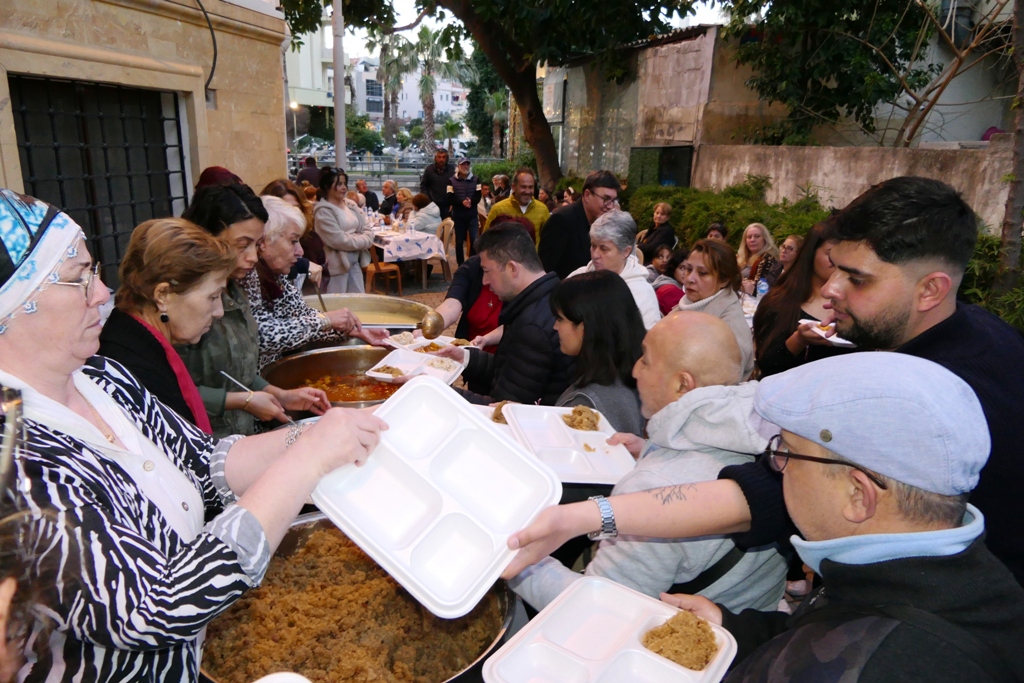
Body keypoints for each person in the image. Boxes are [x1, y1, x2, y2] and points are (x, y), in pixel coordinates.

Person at [500, 176, 1024, 592]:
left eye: (857, 280)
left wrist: (595, 515)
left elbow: (774, 492)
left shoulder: (946, 393)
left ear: (931, 289)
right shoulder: (912, 342)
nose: (831, 292)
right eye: (834, 270)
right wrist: (664, 444)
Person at [0, 188, 387, 682]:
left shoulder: (100, 379)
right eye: (78, 278)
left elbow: (204, 462)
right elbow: (152, 606)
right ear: (12, 306)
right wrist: (306, 459)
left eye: (95, 273)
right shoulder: (14, 457)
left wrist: (324, 432)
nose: (100, 293)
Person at [669, 353, 1024, 682]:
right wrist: (728, 629)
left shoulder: (890, 664)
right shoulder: (955, 575)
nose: (779, 466)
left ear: (858, 494)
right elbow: (835, 630)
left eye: (789, 451)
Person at [511, 311, 786, 612]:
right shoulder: (778, 436)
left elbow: (594, 611)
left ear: (683, 385)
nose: (634, 371)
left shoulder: (651, 488)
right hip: (756, 616)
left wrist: (518, 561)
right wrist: (650, 450)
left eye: (645, 359)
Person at [179, 184, 328, 438]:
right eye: (242, 245)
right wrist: (243, 400)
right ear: (209, 239)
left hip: (239, 436)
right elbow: (173, 389)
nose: (253, 257)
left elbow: (239, 370)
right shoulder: (183, 299)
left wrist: (277, 394)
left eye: (256, 245)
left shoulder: (235, 288)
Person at [99, 218, 235, 432]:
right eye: (213, 296)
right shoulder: (133, 370)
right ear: (162, 295)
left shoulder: (139, 341)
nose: (219, 312)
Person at [433, 222, 573, 406]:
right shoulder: (550, 297)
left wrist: (434, 389)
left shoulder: (532, 326)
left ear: (512, 268)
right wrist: (466, 356)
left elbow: (502, 410)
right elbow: (512, 369)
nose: (484, 281)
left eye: (486, 271)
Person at [243, 196, 387, 371]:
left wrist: (353, 330)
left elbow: (301, 314)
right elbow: (259, 335)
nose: (300, 251)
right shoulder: (246, 273)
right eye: (293, 241)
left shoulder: (276, 275)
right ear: (265, 241)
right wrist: (325, 321)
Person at [550, 271, 645, 435]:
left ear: (585, 328)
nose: (555, 327)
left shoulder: (585, 404)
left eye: (560, 319)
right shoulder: (631, 381)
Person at [753, 224, 850, 377]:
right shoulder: (780, 302)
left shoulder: (857, 305)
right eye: (831, 254)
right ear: (811, 254)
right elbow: (767, 364)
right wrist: (798, 340)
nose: (839, 262)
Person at [567, 211, 661, 330]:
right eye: (593, 245)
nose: (595, 255)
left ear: (626, 252)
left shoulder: (641, 295)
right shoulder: (577, 277)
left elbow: (646, 344)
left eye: (604, 249)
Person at [676, 239, 754, 379]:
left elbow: (725, 381)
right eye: (688, 269)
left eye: (703, 273)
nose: (690, 278)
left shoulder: (729, 327)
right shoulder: (687, 304)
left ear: (724, 280)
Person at [538, 170, 621, 279]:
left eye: (614, 200)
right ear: (587, 195)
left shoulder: (606, 223)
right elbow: (545, 271)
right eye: (606, 199)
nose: (610, 206)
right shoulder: (562, 220)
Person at [259, 179, 326, 293]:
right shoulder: (253, 273)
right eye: (283, 208)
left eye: (295, 208)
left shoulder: (312, 239)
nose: (299, 251)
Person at [313, 167, 372, 294]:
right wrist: (364, 240)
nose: (344, 188)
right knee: (338, 305)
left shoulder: (351, 204)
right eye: (339, 184)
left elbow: (367, 228)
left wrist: (362, 238)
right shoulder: (323, 211)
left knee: (358, 305)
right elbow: (339, 240)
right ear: (327, 186)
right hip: (336, 268)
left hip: (355, 265)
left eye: (345, 184)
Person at [483, 168, 550, 243]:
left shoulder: (542, 210)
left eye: (531, 187)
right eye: (523, 187)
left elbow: (549, 240)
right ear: (513, 187)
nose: (527, 191)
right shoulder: (498, 209)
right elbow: (485, 240)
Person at [447, 157, 482, 265]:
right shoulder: (451, 181)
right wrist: (461, 202)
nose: (465, 166)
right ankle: (461, 264)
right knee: (459, 242)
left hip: (472, 214)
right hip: (459, 215)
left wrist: (471, 201)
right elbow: (450, 197)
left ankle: (471, 262)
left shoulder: (476, 179)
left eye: (467, 164)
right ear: (458, 166)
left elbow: (478, 194)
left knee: (474, 239)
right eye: (463, 164)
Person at [737, 223, 780, 293]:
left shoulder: (769, 260)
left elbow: (764, 288)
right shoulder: (740, 257)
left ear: (765, 238)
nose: (752, 240)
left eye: (757, 236)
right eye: (749, 237)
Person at [652, 248, 689, 315]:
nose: (686, 273)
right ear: (673, 268)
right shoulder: (670, 291)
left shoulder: (664, 282)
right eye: (682, 268)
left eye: (689, 269)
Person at [419, 148, 454, 219]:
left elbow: (456, 187)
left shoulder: (452, 170)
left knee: (446, 226)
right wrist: (427, 200)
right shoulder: (429, 169)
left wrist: (453, 202)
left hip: (447, 205)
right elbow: (423, 186)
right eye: (439, 157)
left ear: (447, 158)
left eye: (444, 157)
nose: (441, 159)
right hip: (432, 204)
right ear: (435, 158)